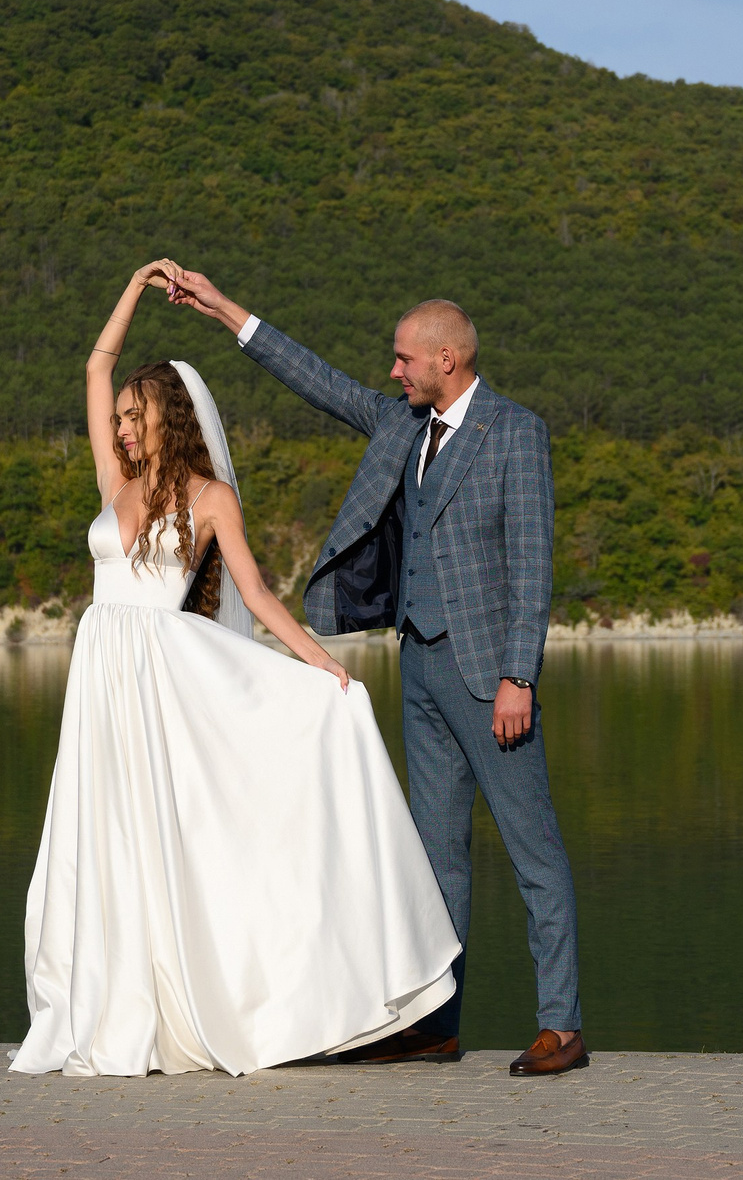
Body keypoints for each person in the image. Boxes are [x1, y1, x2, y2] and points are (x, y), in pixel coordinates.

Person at [11, 261, 460, 1078]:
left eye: (132, 417)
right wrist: (134, 288)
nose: (119, 429)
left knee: (168, 835)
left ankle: (206, 994)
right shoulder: (116, 483)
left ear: (166, 417)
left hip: (163, 677)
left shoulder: (213, 498)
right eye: (116, 419)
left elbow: (255, 595)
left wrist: (325, 666)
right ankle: (109, 997)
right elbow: (94, 364)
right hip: (100, 675)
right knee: (99, 832)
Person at [166, 270, 587, 1076]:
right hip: (420, 666)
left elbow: (533, 568)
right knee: (435, 860)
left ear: (449, 357)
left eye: (404, 359)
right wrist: (226, 311)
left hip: (487, 676)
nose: (393, 372)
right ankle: (436, 1022)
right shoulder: (402, 425)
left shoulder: (515, 432)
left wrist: (518, 676)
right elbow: (317, 380)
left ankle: (561, 1024)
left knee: (535, 851)